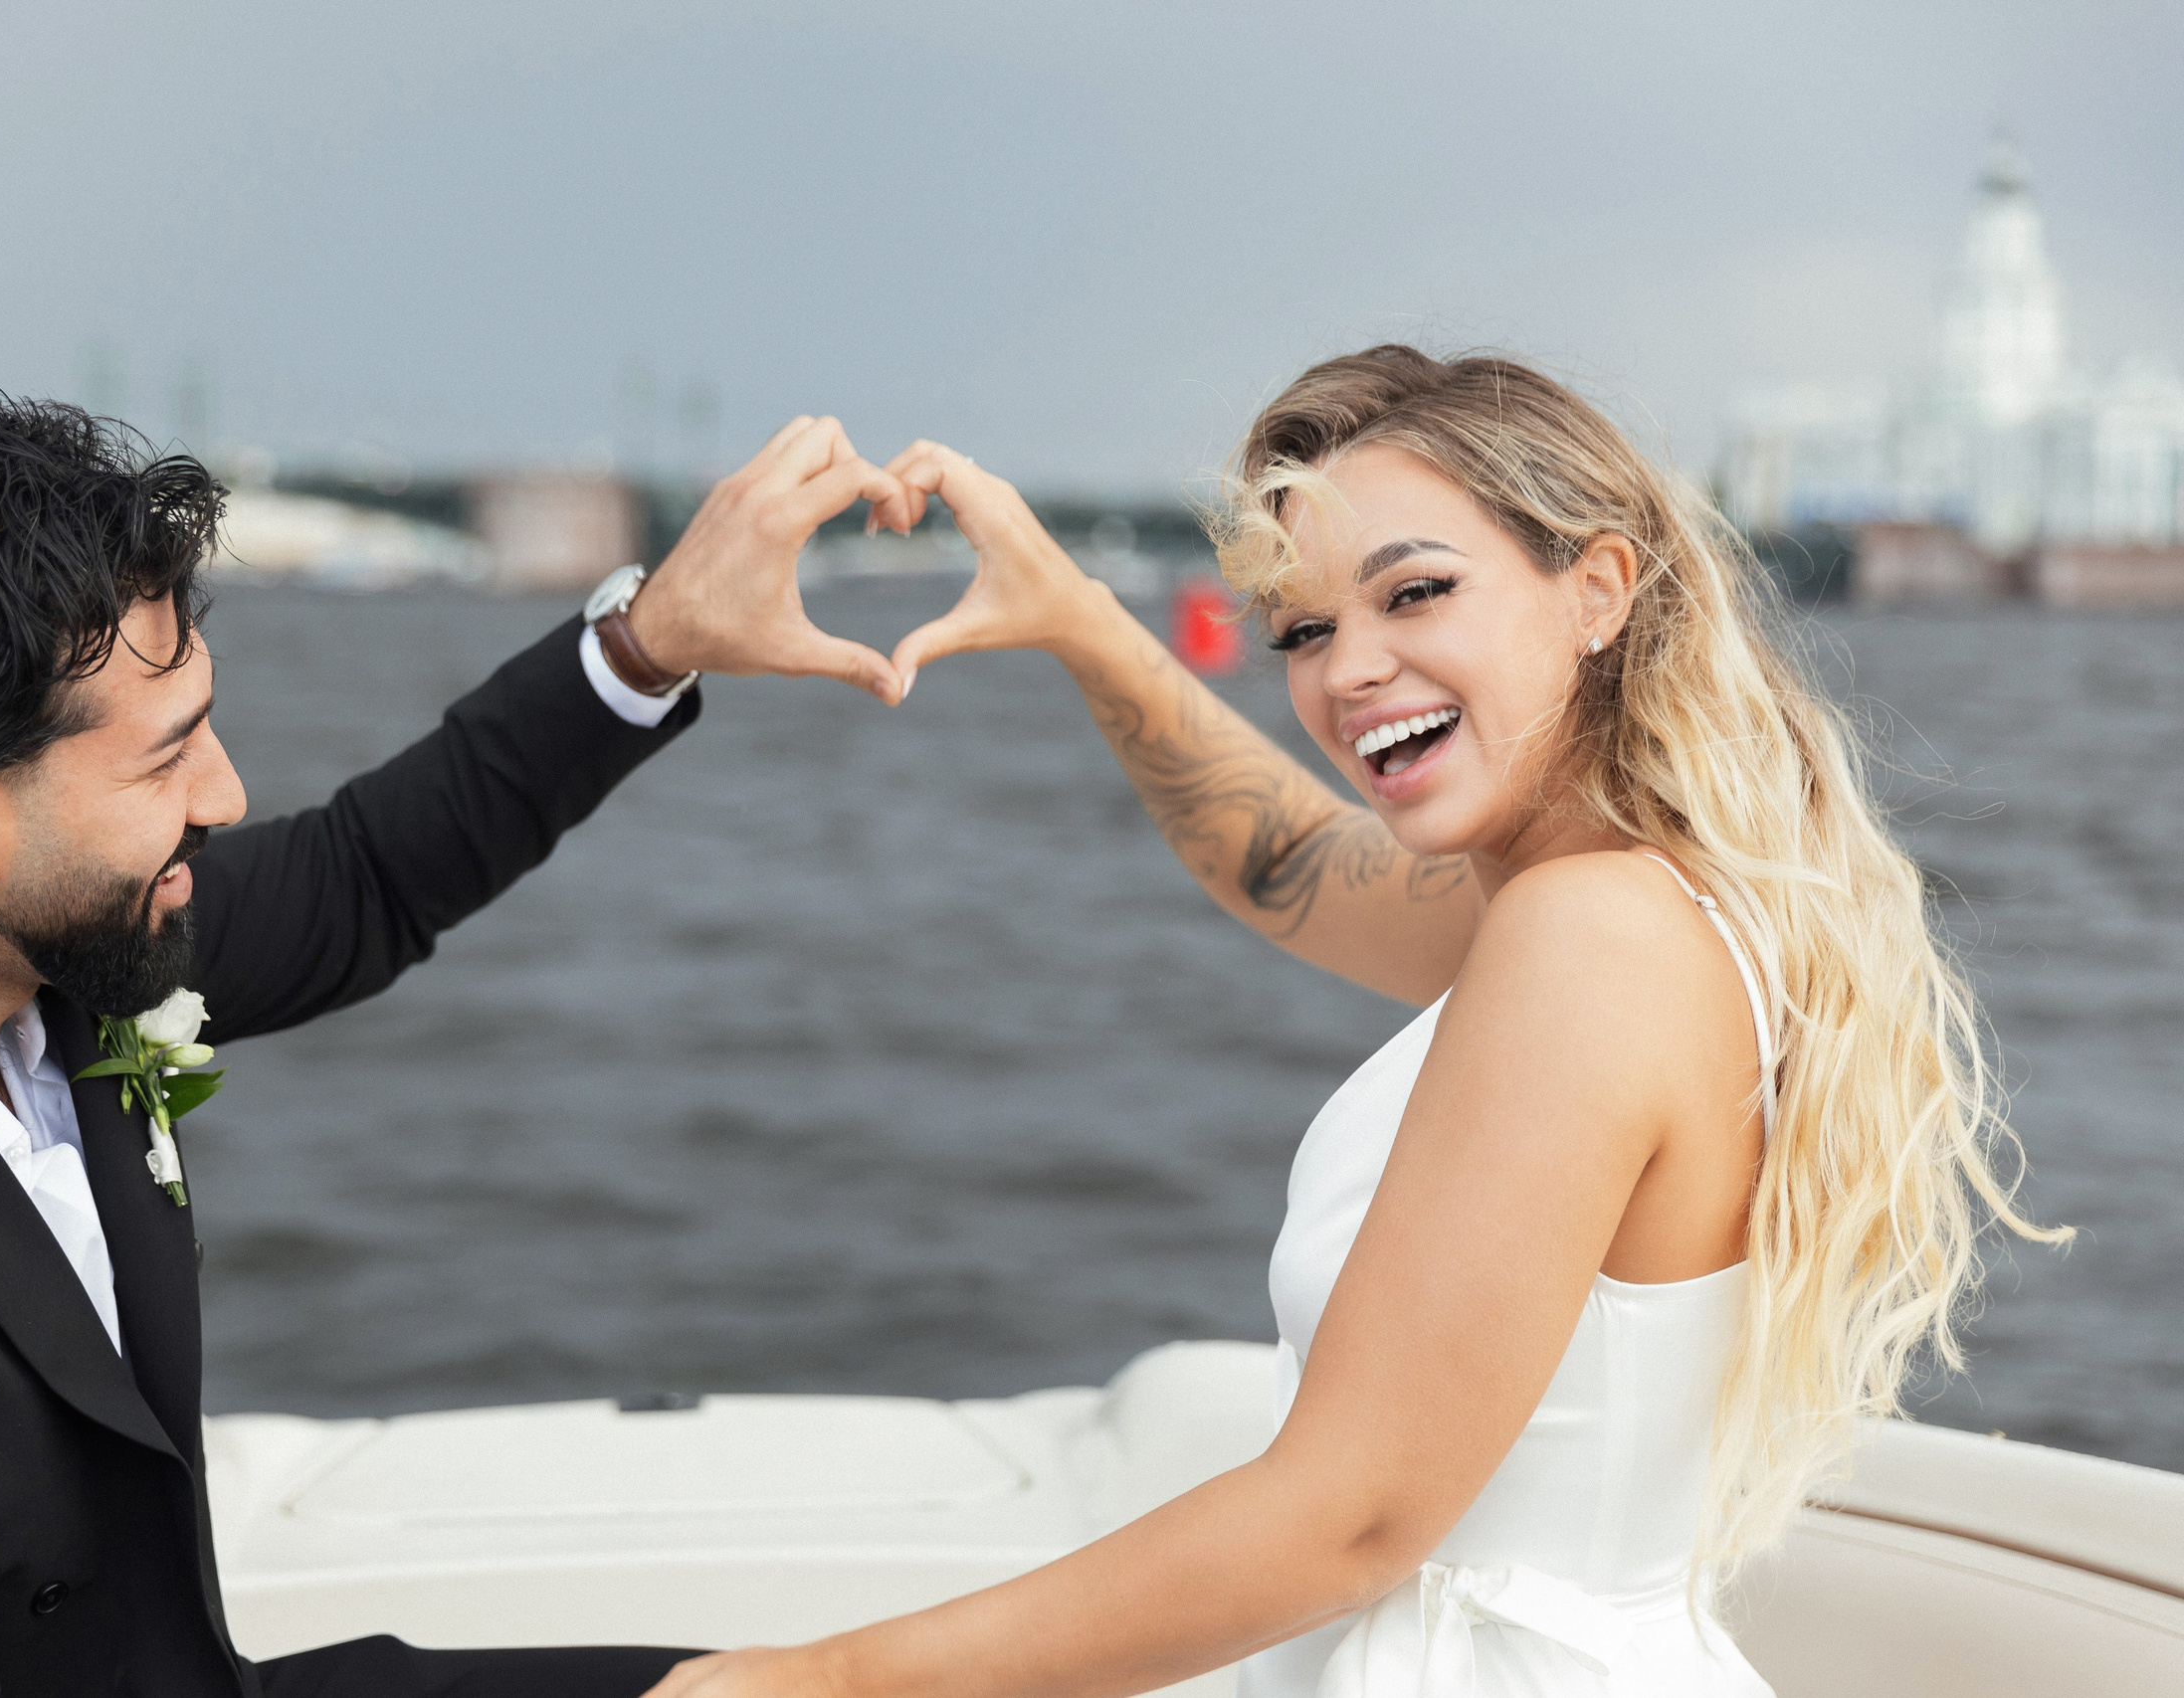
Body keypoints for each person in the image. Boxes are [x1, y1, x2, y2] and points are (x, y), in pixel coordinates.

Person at [643, 346, 2068, 1698]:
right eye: (1307, 629)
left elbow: (1357, 1514)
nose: (1350, 670)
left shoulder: (1591, 938)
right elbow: (1290, 867)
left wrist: (817, 1679)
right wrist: (1079, 618)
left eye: (1417, 593)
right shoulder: (1628, 904)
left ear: (1599, 589)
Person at [0, 396, 920, 1698]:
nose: (227, 798)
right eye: (168, 759)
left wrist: (649, 645)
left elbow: (363, 880)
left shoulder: (24, 941)